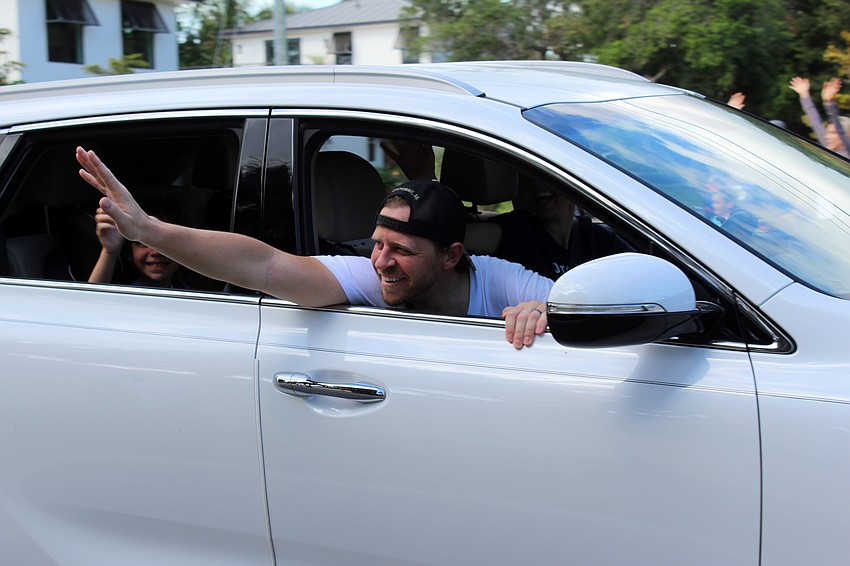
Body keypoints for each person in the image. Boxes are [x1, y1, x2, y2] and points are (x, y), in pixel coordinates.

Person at [76, 147, 552, 349]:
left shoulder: (502, 279)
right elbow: (263, 265)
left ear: (451, 257)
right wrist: (149, 230)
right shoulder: (376, 276)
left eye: (401, 250)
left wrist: (546, 312)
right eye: (377, 244)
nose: (381, 262)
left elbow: (589, 303)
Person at [488, 179, 635, 281]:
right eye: (531, 176)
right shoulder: (515, 230)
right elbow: (469, 238)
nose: (538, 183)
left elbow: (643, 270)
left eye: (546, 175)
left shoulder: (597, 239)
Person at [88, 204, 187, 288]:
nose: (156, 252)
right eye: (143, 243)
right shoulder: (120, 292)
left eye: (165, 242)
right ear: (129, 252)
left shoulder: (190, 291)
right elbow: (91, 303)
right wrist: (109, 251)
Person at [789, 76, 850, 157]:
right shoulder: (827, 144)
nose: (827, 136)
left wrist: (828, 102)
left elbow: (838, 126)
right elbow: (815, 121)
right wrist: (804, 94)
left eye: (833, 133)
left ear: (847, 135)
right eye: (827, 132)